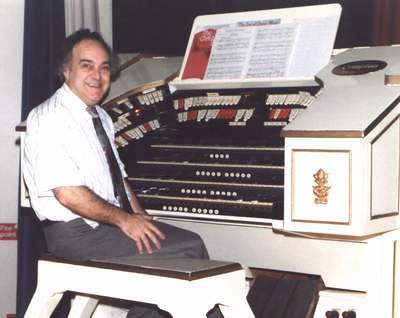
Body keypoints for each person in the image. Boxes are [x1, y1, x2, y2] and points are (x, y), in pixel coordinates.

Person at [23, 29, 217, 318]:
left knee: (177, 253)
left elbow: (119, 180)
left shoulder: (99, 115)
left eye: (104, 68)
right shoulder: (51, 117)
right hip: (74, 234)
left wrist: (139, 217)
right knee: (189, 249)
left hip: (103, 226)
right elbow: (68, 193)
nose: (97, 76)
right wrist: (125, 221)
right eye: (86, 65)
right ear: (66, 71)